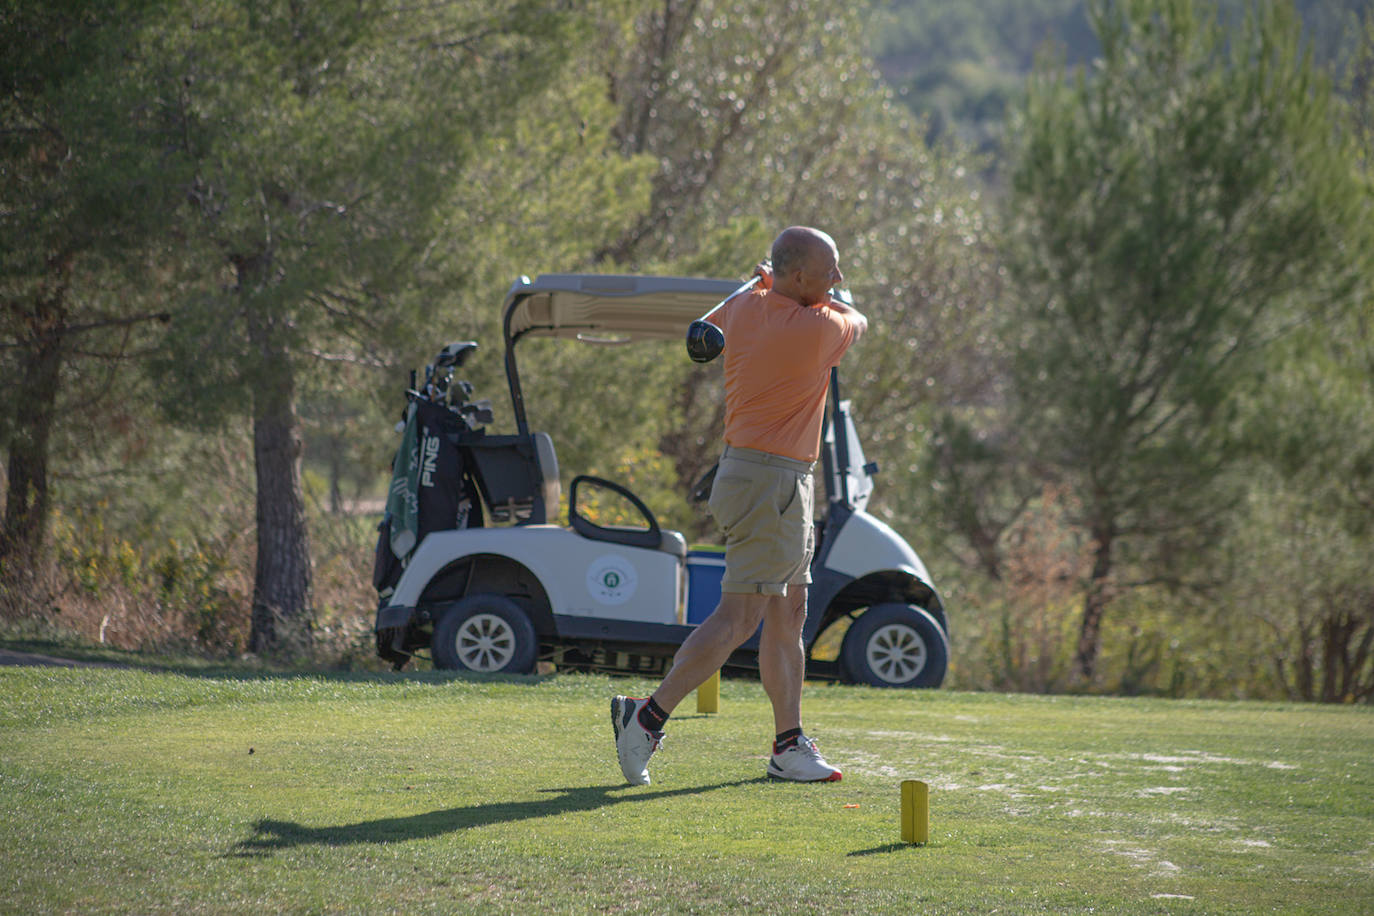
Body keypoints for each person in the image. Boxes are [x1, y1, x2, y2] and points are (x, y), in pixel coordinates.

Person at [612, 226, 867, 785]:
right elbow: (858, 319)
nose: (839, 279)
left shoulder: (746, 305)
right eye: (829, 271)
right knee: (740, 618)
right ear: (796, 277)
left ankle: (788, 745)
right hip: (767, 483)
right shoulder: (817, 327)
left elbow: (771, 301)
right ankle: (645, 718)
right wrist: (815, 296)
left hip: (775, 478)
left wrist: (767, 286)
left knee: (789, 611)